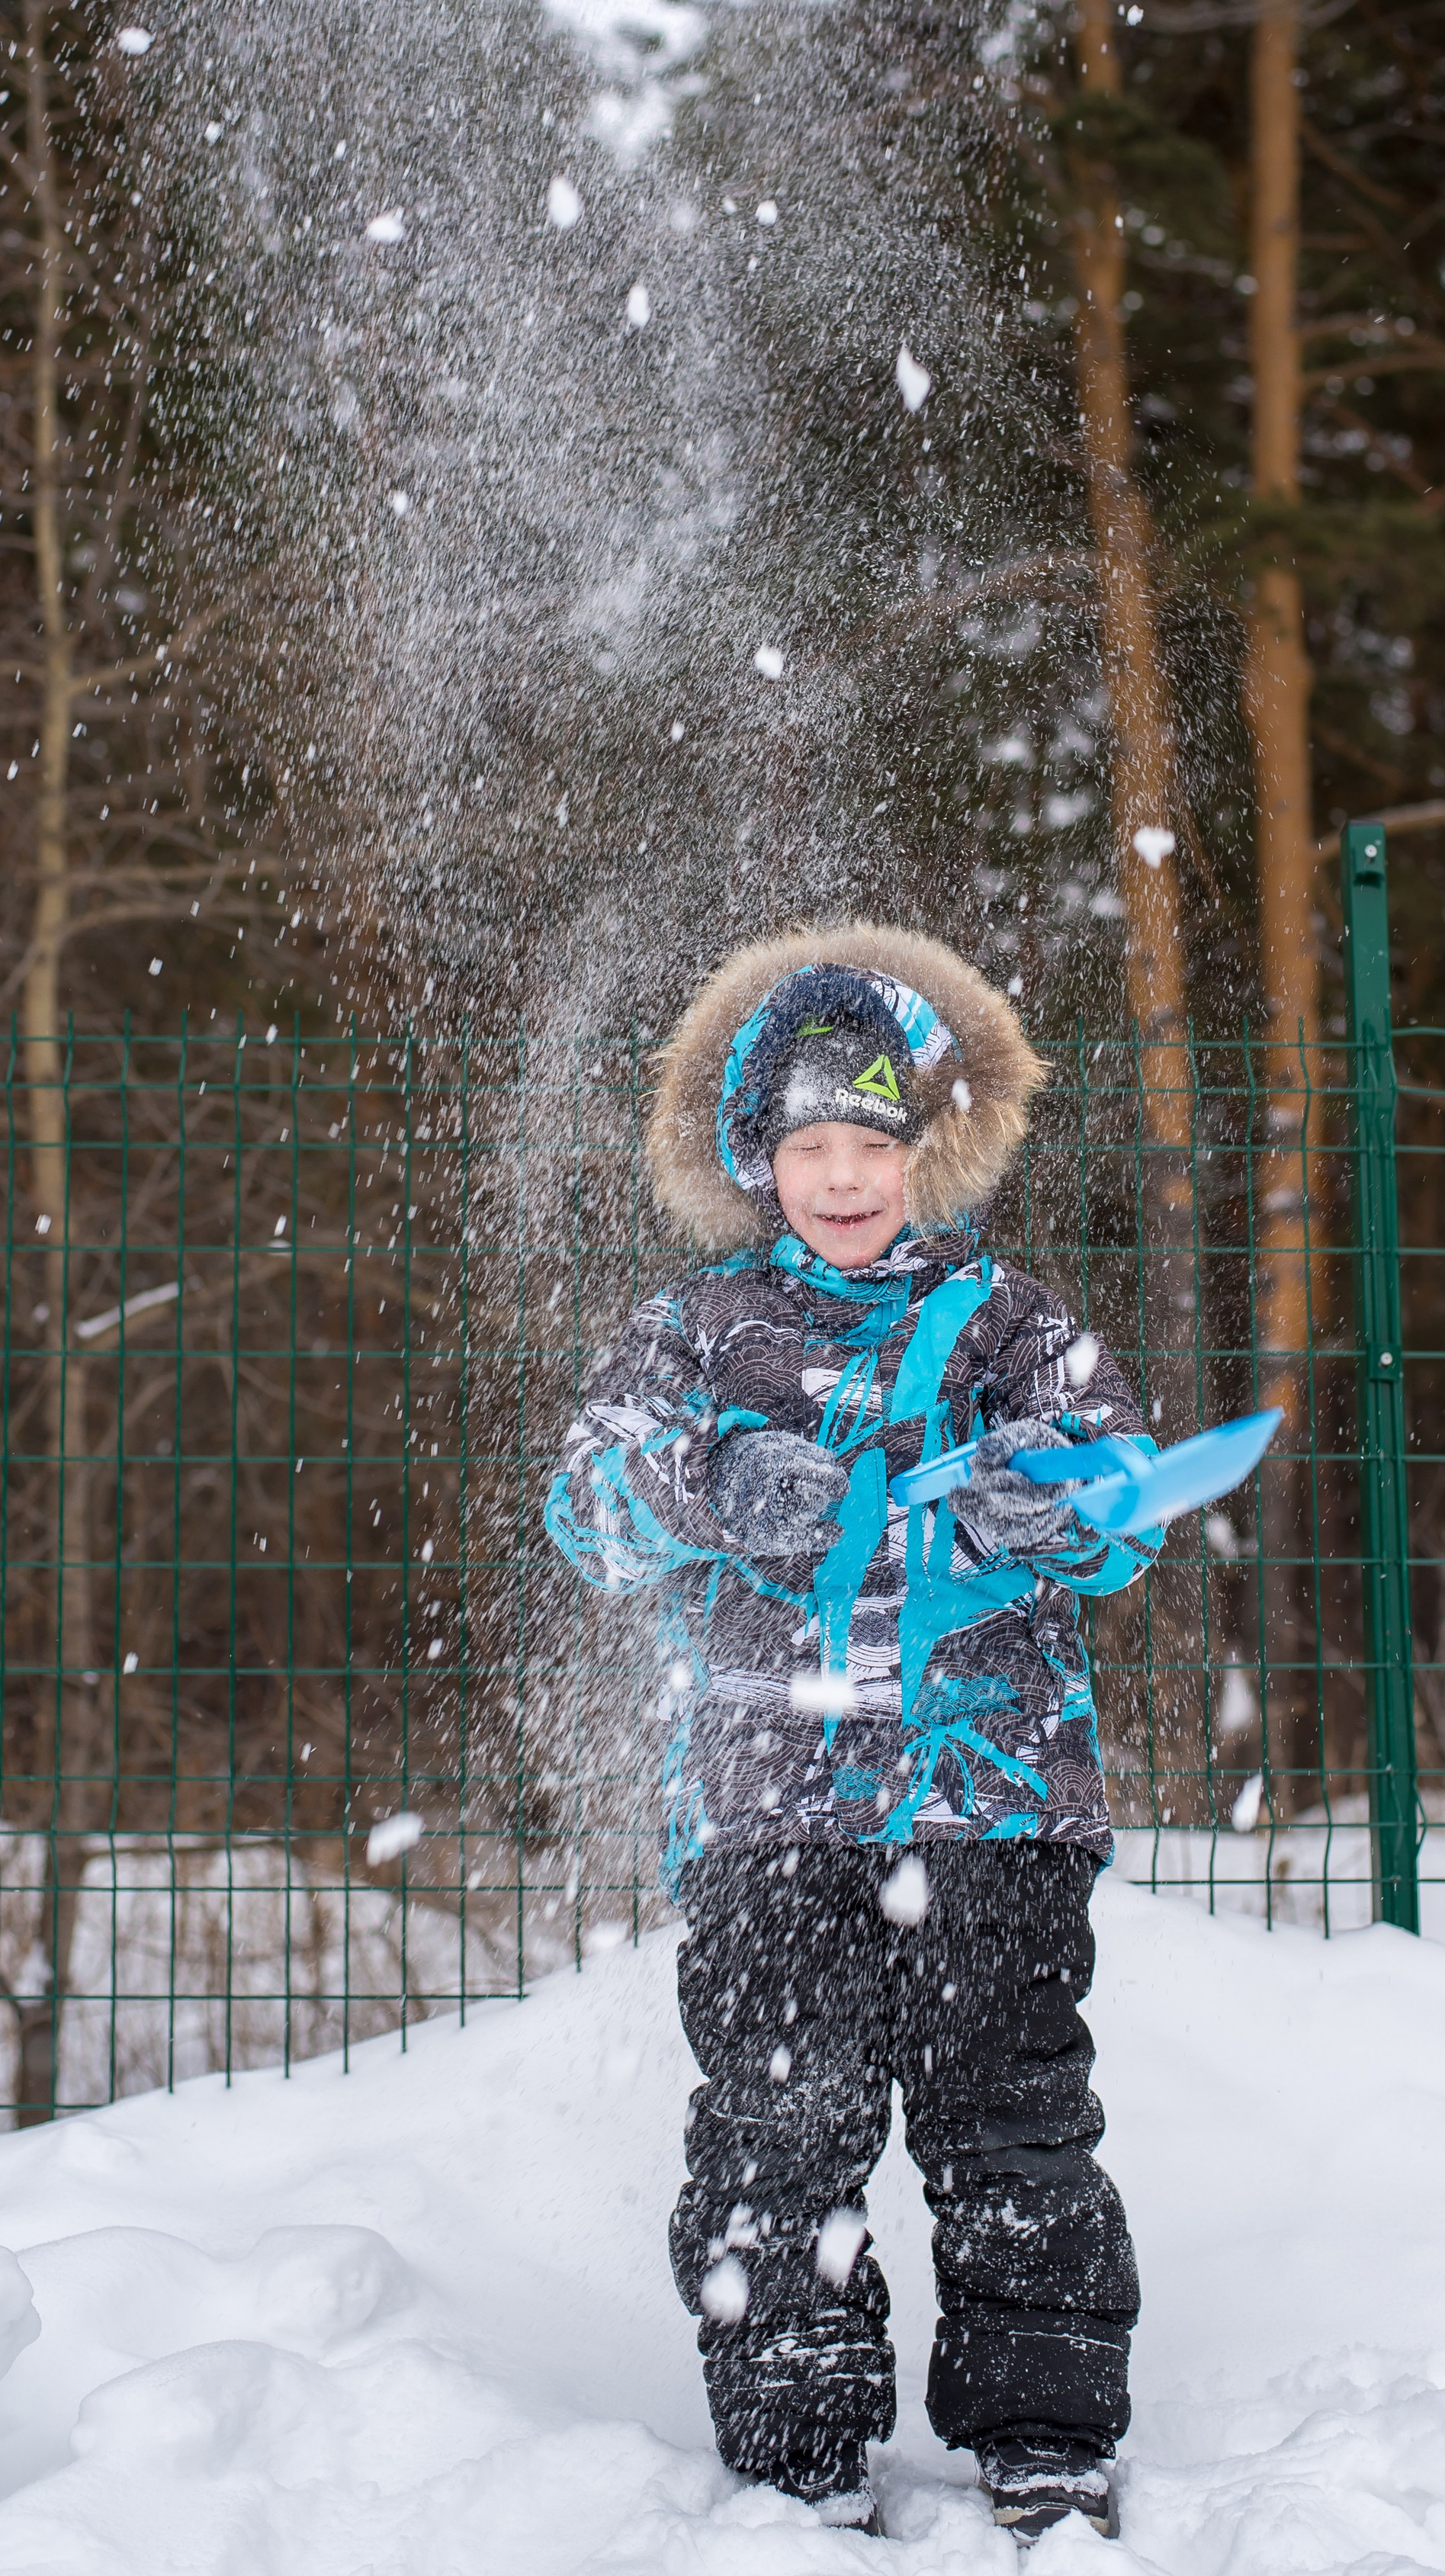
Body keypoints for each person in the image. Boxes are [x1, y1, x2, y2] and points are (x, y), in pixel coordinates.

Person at [544, 923, 1168, 2545]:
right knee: (779, 2120)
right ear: (758, 1156)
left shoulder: (1011, 1321)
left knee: (1008, 2114)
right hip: (766, 1806)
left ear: (922, 1148)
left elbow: (1133, 1500)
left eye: (871, 1142)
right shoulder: (693, 1334)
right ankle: (799, 2439)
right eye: (810, 1144)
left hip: (995, 1798)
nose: (841, 1175)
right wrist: (708, 1481)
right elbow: (586, 1503)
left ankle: (1042, 2430)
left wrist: (1063, 1498)